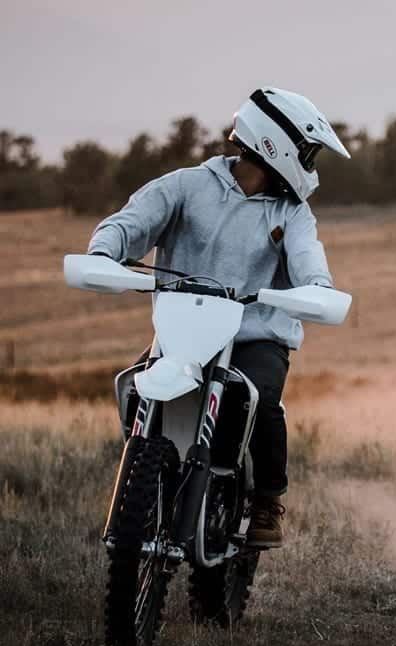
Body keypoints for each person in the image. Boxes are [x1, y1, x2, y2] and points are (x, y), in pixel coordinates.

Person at [86, 87, 351, 548]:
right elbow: (131, 221)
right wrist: (105, 251)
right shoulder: (187, 186)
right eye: (307, 154)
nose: (310, 166)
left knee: (261, 400)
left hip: (255, 335)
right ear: (276, 142)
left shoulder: (293, 213)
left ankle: (267, 499)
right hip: (182, 332)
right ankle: (150, 472)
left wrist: (318, 290)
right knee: (133, 385)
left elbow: (309, 261)